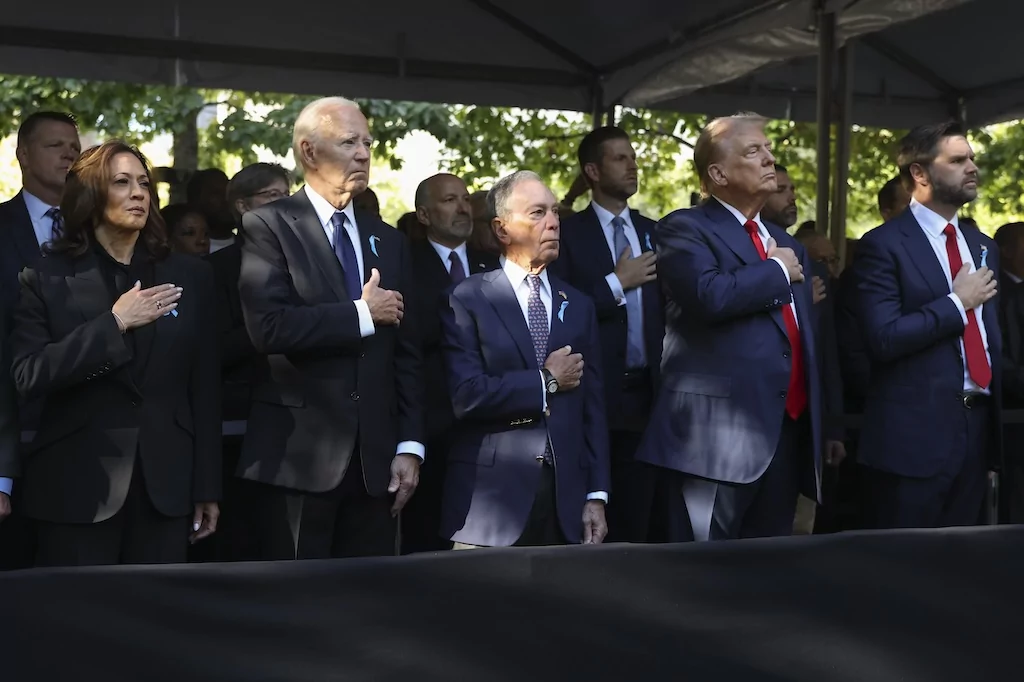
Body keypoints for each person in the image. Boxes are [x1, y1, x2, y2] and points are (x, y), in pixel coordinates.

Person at [9, 140, 221, 566]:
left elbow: (204, 388)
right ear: (90, 195)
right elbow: (28, 375)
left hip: (166, 486)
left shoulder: (190, 275)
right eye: (122, 183)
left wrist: (207, 487)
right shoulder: (45, 276)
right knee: (78, 624)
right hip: (75, 487)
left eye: (143, 183)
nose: (139, 193)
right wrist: (115, 324)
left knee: (158, 621)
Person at [237, 97, 423, 559]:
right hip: (298, 460)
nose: (363, 153)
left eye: (367, 142)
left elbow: (408, 353)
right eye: (349, 142)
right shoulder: (268, 224)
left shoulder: (389, 240)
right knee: (296, 611)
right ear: (309, 152)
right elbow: (270, 328)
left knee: (369, 610)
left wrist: (410, 445)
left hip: (375, 465)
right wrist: (362, 313)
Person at [636, 112, 823, 541]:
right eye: (754, 150)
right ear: (717, 173)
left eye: (769, 149)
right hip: (715, 443)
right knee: (702, 581)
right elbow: (709, 296)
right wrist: (776, 271)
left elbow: (801, 341)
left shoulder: (789, 243)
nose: (769, 158)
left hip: (784, 434)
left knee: (766, 579)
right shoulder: (684, 227)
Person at [439, 170, 609, 548]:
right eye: (537, 213)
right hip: (489, 504)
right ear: (501, 229)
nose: (553, 222)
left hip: (566, 500)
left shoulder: (578, 305)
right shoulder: (467, 298)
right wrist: (545, 381)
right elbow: (467, 395)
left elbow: (593, 407)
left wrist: (596, 494)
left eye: (555, 212)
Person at [852, 121, 1001, 529]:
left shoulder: (983, 246)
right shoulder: (881, 245)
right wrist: (957, 303)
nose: (972, 167)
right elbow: (883, 338)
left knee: (960, 576)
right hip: (912, 441)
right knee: (906, 575)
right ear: (919, 174)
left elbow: (991, 339)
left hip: (977, 432)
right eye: (957, 160)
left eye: (972, 158)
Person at [550, 126, 666, 543]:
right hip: (592, 394)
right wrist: (616, 284)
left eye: (633, 156)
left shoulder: (657, 232)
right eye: (620, 158)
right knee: (591, 520)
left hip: (650, 397)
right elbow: (559, 308)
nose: (633, 164)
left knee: (642, 520)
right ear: (593, 171)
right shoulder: (568, 233)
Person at [0, 111, 81, 568]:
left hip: (87, 436)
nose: (70, 153)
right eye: (56, 146)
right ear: (24, 155)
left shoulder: (100, 233)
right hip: (17, 430)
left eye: (74, 146)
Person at [402, 173, 498, 553]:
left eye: (464, 198)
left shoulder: (492, 264)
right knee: (426, 537)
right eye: (449, 200)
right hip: (430, 420)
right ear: (424, 215)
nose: (463, 208)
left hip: (487, 421)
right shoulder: (405, 263)